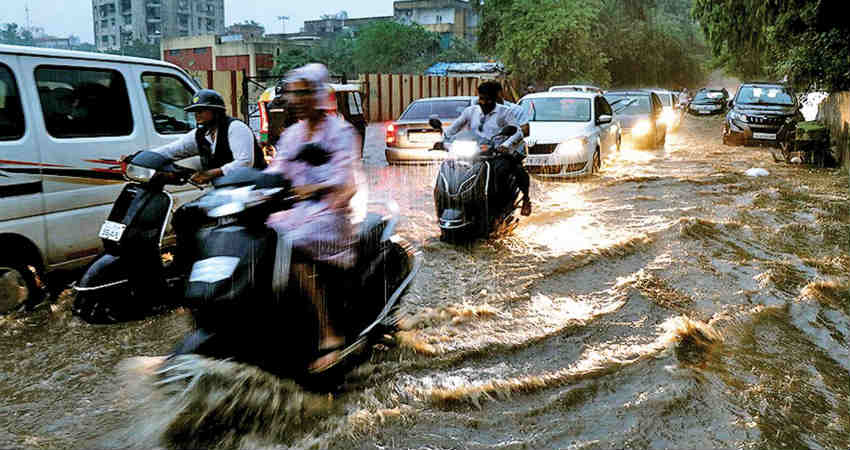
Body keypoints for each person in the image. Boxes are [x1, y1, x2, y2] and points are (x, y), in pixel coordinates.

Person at [264, 63, 360, 373]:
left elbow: (345, 179)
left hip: (329, 214)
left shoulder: (341, 132)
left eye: (304, 92)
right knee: (259, 238)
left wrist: (315, 190)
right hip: (296, 212)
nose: (297, 99)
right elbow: (276, 172)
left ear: (318, 94)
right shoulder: (292, 134)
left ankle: (328, 334)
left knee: (292, 245)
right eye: (294, 93)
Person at [439, 81, 528, 216]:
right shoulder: (470, 111)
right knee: (451, 167)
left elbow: (518, 132)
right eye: (481, 98)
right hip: (475, 152)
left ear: (495, 98)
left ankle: (519, 201)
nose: (484, 102)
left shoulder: (505, 112)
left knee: (510, 170)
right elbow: (452, 129)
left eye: (488, 99)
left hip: (496, 154)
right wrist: (442, 140)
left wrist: (505, 145)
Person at [150, 88, 266, 184]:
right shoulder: (200, 134)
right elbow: (172, 150)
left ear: (215, 111)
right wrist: (148, 156)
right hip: (225, 189)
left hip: (253, 187)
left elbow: (245, 162)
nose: (197, 115)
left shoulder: (235, 127)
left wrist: (210, 174)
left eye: (201, 111)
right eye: (195, 112)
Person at [495, 86, 533, 216]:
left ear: (500, 93)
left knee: (517, 168)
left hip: (512, 150)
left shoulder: (516, 110)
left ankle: (526, 198)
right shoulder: (478, 111)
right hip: (488, 150)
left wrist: (508, 144)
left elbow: (525, 130)